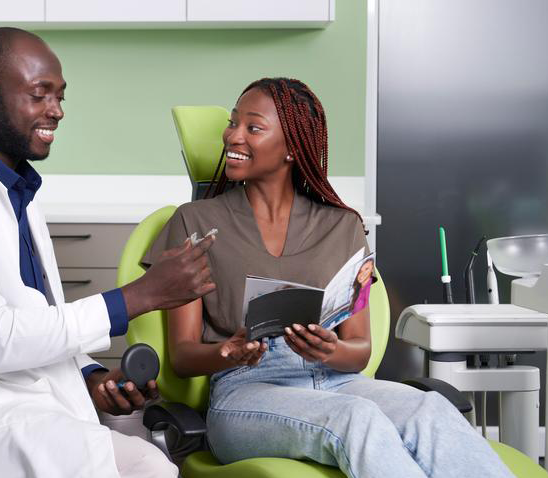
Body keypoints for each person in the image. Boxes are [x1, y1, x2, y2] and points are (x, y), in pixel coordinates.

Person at [0, 27, 216, 478]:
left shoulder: (16, 190)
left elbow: (31, 318)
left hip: (23, 402)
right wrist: (138, 296)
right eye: (39, 94)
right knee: (142, 470)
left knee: (153, 464)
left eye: (60, 96)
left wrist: (91, 377)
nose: (57, 110)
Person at [144, 77, 514, 478]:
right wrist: (227, 352)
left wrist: (329, 349)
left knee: (430, 409)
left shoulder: (342, 226)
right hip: (246, 391)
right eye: (233, 123)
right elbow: (182, 357)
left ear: (291, 148)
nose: (233, 136)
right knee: (355, 418)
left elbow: (359, 351)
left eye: (253, 127)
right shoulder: (194, 222)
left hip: (337, 381)